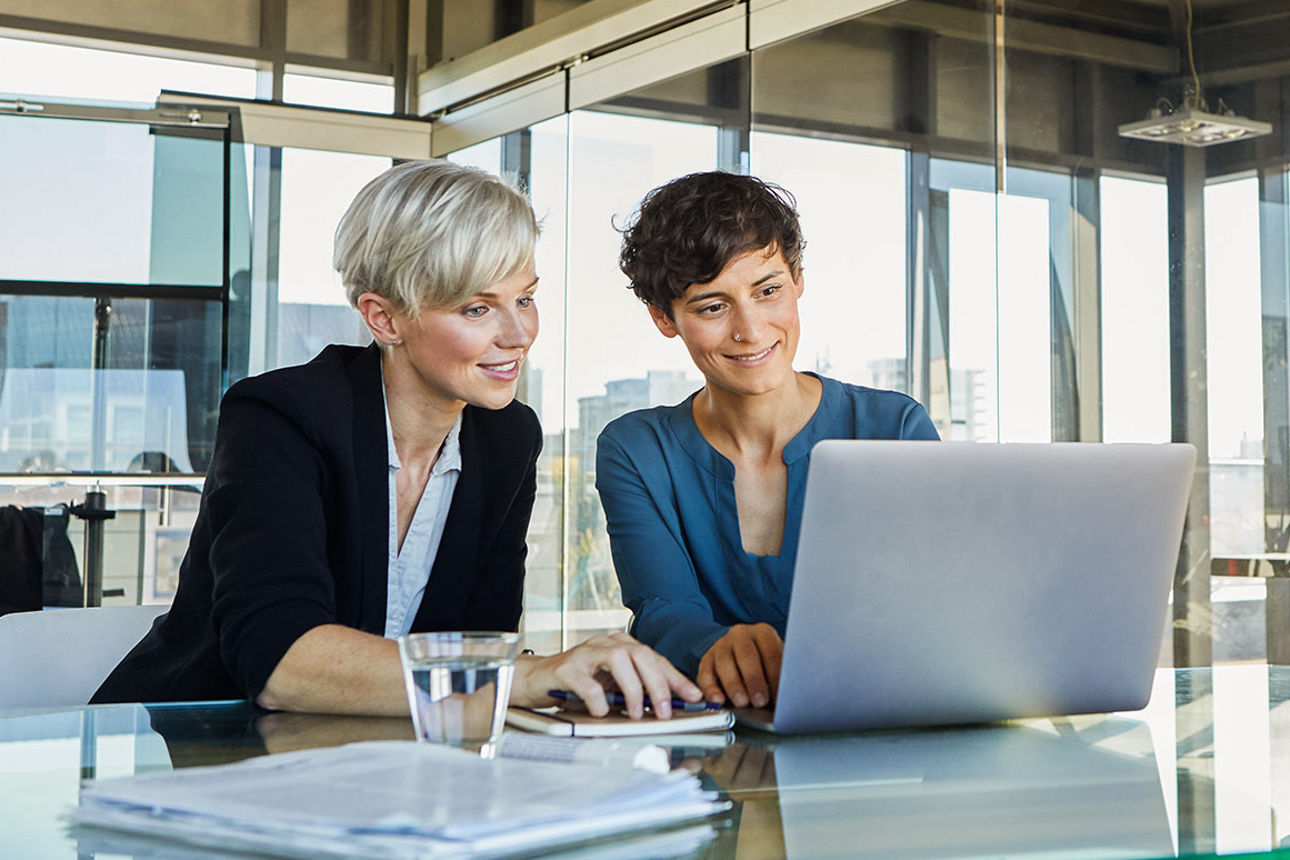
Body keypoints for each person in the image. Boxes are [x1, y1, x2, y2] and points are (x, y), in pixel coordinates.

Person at [93, 160, 700, 721]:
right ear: (383, 318)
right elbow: (280, 665)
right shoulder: (279, 416)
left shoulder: (507, 437)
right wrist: (529, 676)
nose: (519, 334)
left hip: (375, 760)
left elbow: (481, 643)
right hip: (193, 754)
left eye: (525, 298)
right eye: (476, 310)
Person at [597, 171, 938, 710]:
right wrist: (715, 646)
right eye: (713, 306)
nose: (751, 331)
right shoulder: (637, 449)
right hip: (716, 742)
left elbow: (930, 608)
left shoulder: (893, 428)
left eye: (768, 290)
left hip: (882, 720)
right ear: (665, 318)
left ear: (797, 278)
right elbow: (663, 610)